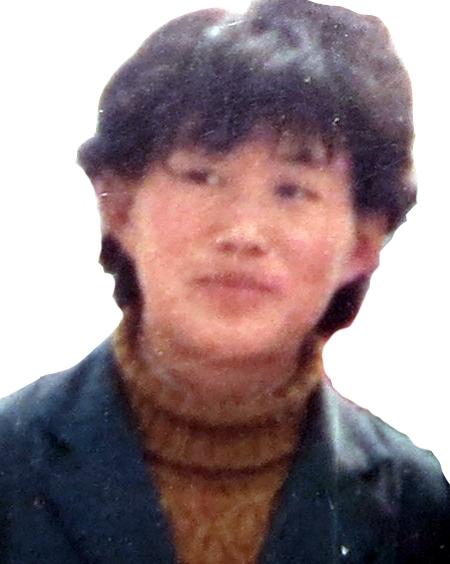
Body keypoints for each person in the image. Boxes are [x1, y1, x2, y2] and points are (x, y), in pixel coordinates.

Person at [1, 0, 448, 562]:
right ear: (119, 207)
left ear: (363, 242)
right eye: (202, 176)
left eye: (292, 190)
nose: (242, 233)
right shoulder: (9, 461)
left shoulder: (415, 507)